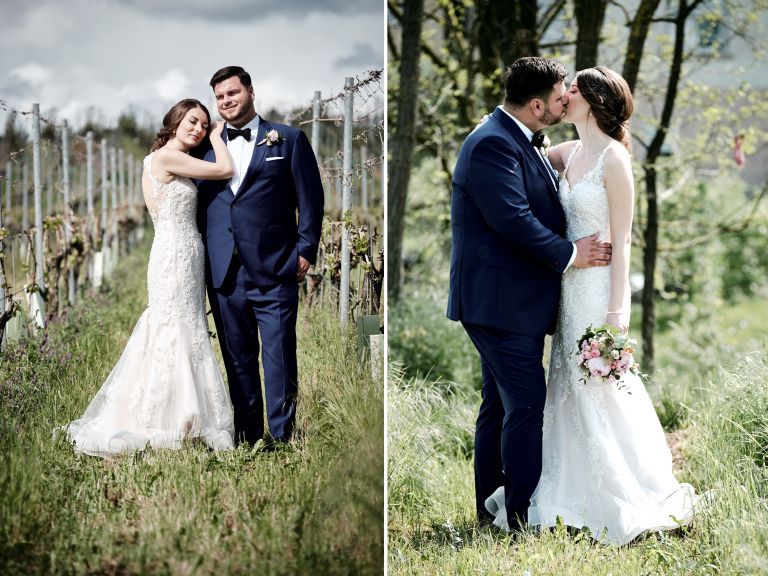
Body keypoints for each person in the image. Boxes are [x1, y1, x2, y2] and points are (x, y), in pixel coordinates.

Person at [483, 66, 700, 544]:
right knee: (566, 386)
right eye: (564, 91)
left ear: (594, 101)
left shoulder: (615, 159)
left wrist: (617, 315)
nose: (565, 97)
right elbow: (520, 150)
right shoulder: (569, 152)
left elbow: (622, 242)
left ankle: (622, 487)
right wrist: (491, 126)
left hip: (598, 290)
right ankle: (564, 484)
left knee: (599, 387)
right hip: (568, 290)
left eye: (573, 90)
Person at [447, 57, 612, 532]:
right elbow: (513, 220)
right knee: (525, 403)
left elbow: (552, 166)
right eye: (561, 95)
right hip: (498, 301)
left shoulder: (516, 136)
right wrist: (570, 254)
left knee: (498, 405)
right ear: (536, 104)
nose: (566, 100)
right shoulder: (492, 145)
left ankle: (491, 507)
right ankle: (518, 515)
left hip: (507, 299)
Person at [66, 99, 236, 458]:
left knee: (184, 325)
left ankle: (183, 411)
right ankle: (166, 417)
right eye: (193, 121)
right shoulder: (165, 157)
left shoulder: (161, 157)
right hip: (173, 253)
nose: (199, 129)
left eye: (205, 125)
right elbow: (224, 169)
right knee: (173, 326)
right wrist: (220, 136)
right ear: (174, 121)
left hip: (184, 251)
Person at [196, 66, 324, 447]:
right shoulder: (204, 149)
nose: (226, 102)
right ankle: (249, 435)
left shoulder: (287, 139)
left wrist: (305, 251)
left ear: (251, 92)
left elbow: (311, 200)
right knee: (238, 358)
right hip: (224, 271)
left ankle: (283, 437)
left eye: (232, 93)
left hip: (276, 266)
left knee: (279, 354)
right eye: (219, 97)